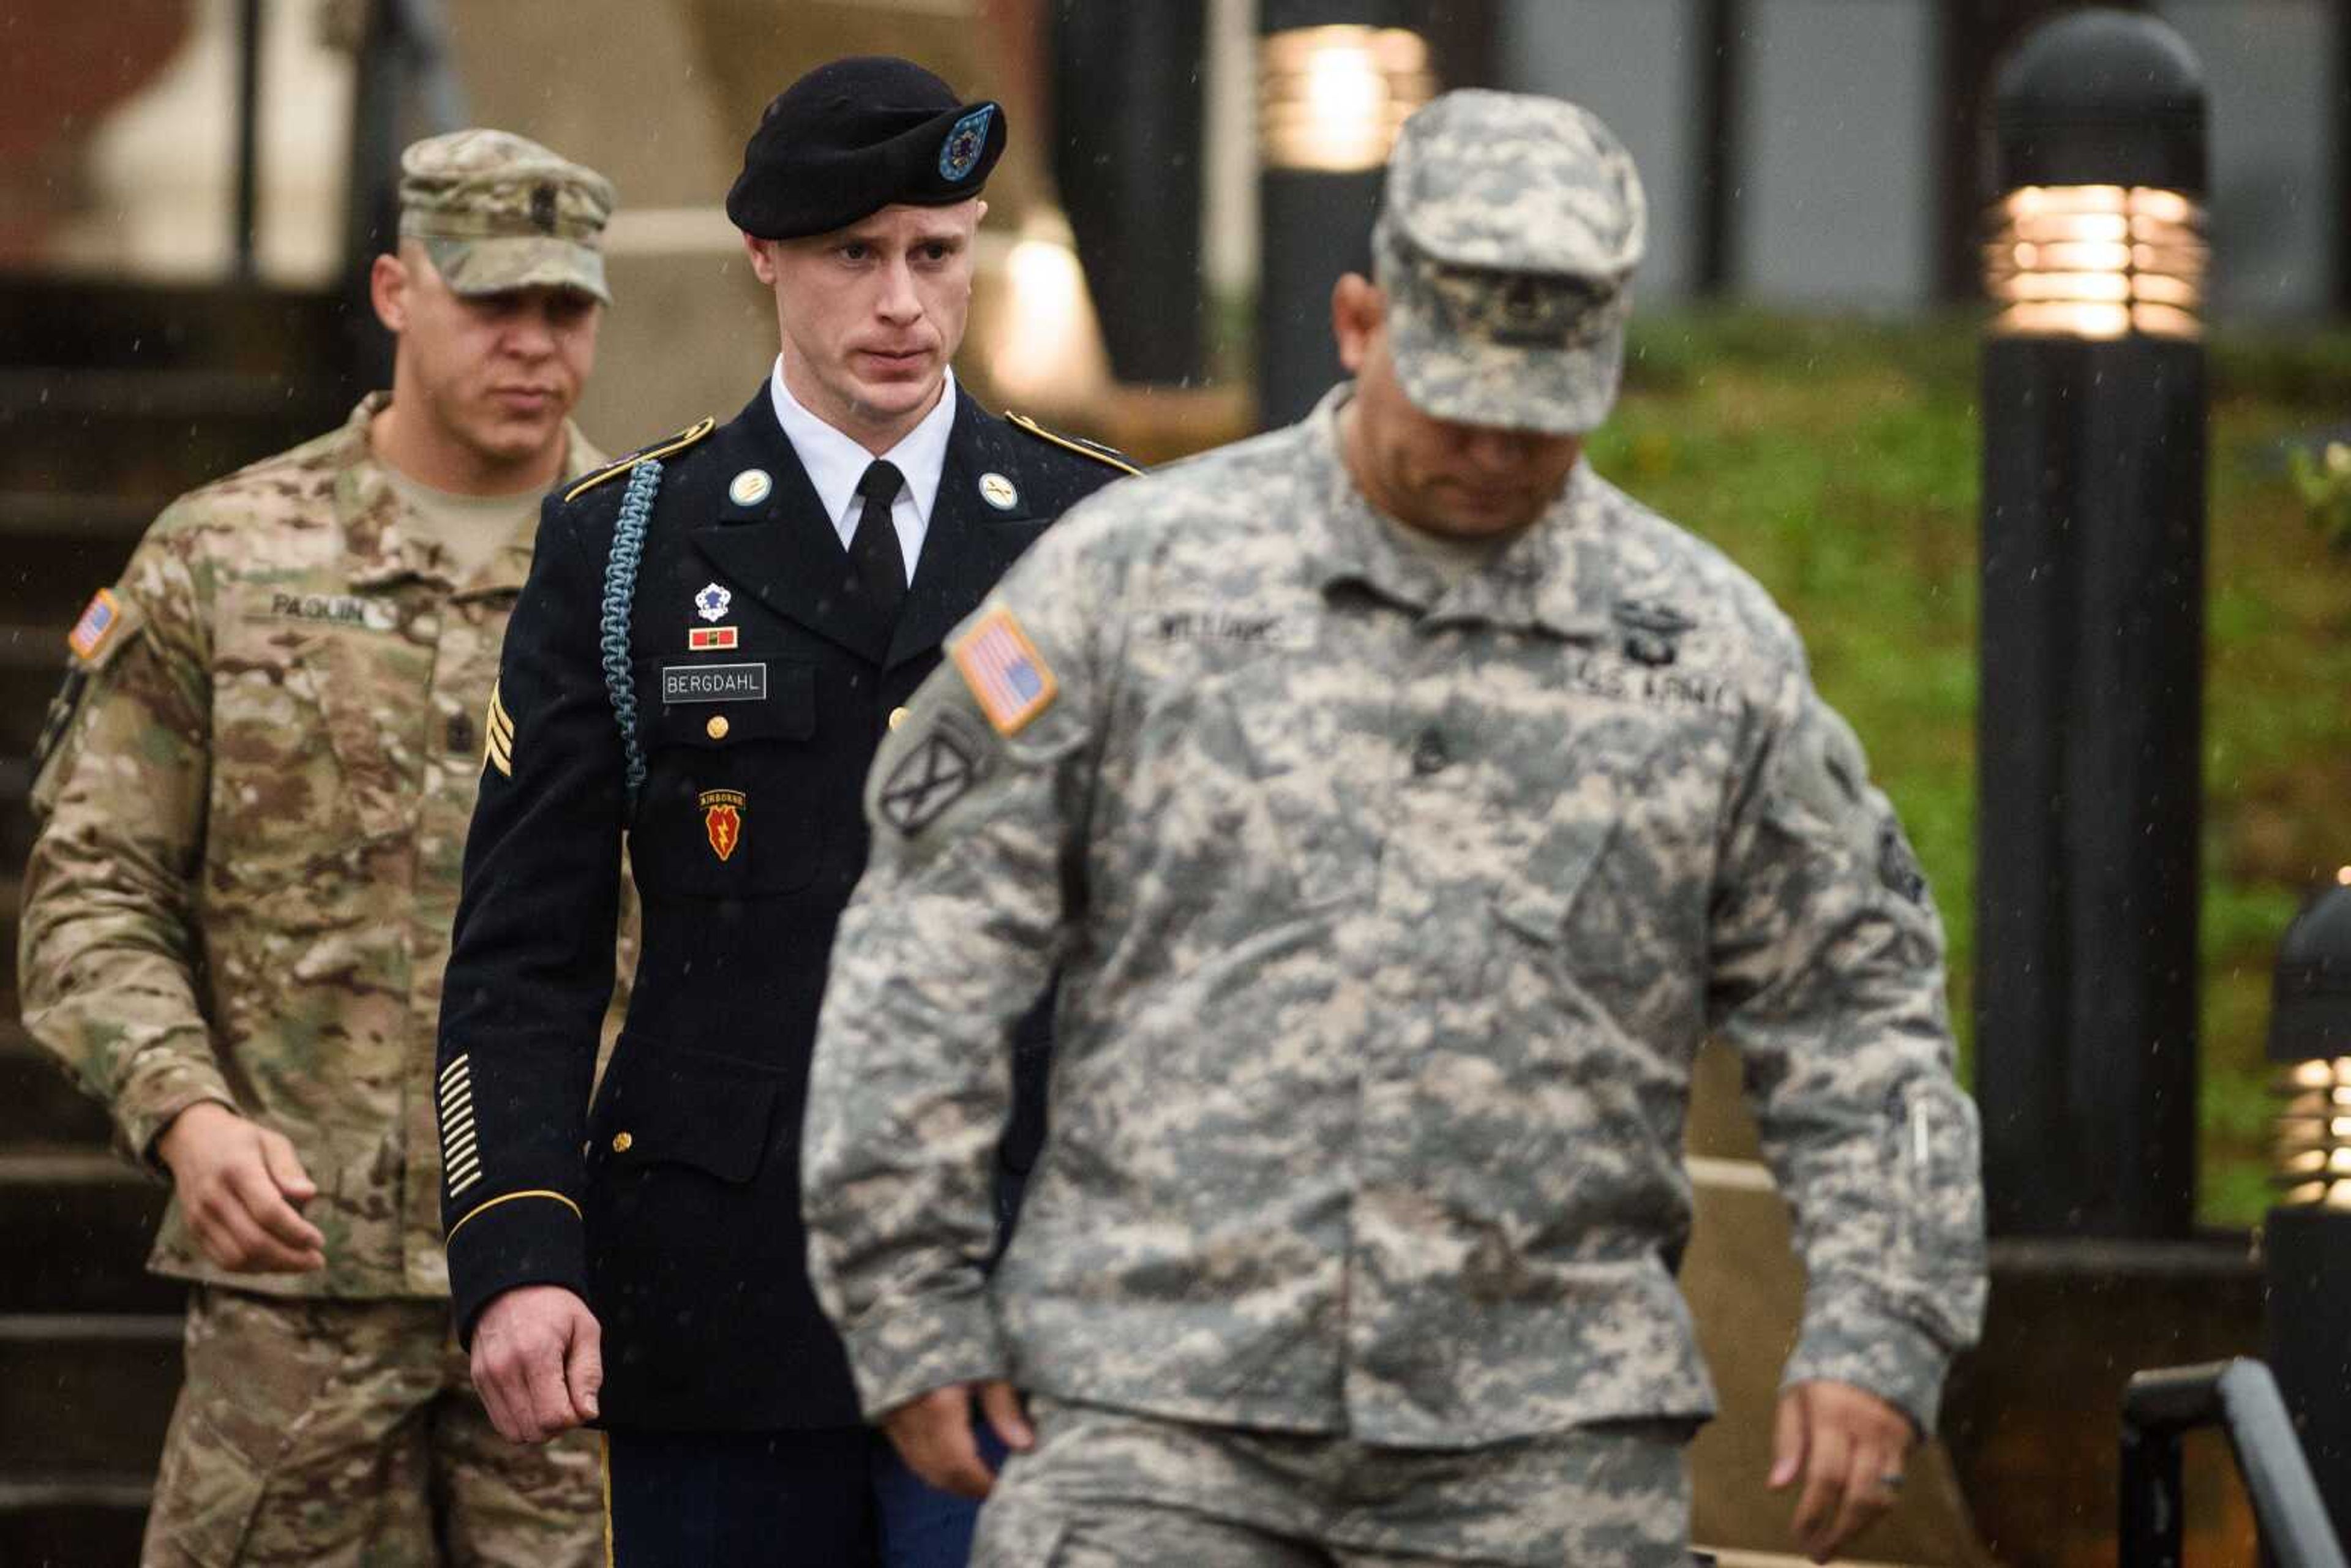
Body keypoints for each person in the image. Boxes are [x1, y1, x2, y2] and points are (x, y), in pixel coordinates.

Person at [801, 89, 1989, 1568]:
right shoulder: (1131, 587)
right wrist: (907, 1301)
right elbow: (929, 949)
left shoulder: (1703, 658)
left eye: (1539, 418)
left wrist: (1883, 1323)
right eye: (1460, 404)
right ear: (1359, 322)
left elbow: (1859, 1008)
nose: (1496, 450)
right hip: (1160, 1425)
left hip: (1542, 1450)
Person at [433, 55, 1136, 1567]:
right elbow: (524, 955)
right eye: (852, 256)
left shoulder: (1101, 539)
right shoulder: (625, 547)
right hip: (722, 1298)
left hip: (1024, 1289)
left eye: (934, 254)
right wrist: (518, 1247)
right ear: (765, 257)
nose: (900, 304)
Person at [18, 129, 624, 1567]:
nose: (533, 346)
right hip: (295, 1309)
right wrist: (186, 1112)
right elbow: (91, 891)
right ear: (397, 291)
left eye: (567, 309)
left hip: (571, 1298)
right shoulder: (225, 559)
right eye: (493, 304)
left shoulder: (661, 578)